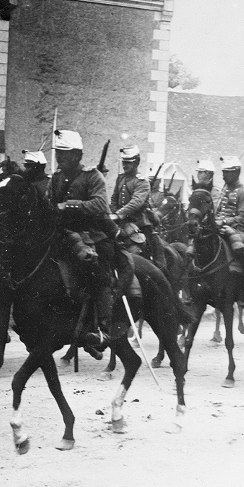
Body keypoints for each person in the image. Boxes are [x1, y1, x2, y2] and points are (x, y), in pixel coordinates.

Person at [49, 129, 116, 347]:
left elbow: (100, 204)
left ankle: (103, 327)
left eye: (65, 153)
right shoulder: (57, 177)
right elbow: (48, 203)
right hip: (62, 234)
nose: (60, 157)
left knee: (97, 272)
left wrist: (69, 205)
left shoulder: (92, 176)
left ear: (78, 155)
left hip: (91, 236)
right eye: (58, 152)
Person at [214, 155, 244, 306]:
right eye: (223, 172)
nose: (224, 175)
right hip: (220, 228)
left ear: (236, 172)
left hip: (239, 231)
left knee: (242, 251)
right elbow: (217, 211)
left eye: (228, 172)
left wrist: (224, 221)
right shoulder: (223, 191)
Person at [110, 145, 152, 256]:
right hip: (121, 222)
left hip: (138, 222)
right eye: (123, 162)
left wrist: (118, 214)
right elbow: (114, 198)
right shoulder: (120, 178)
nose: (124, 165)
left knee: (141, 250)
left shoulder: (142, 182)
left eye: (128, 162)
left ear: (136, 162)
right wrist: (114, 212)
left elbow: (136, 202)